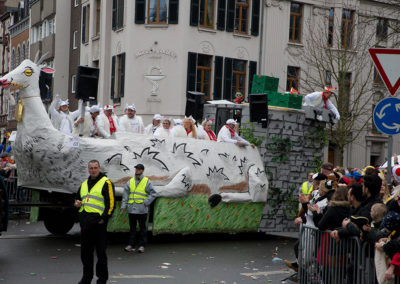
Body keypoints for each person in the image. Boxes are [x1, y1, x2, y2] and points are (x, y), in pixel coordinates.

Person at [74, 160, 115, 284]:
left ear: (99, 168)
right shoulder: (84, 184)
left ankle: (102, 279)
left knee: (101, 254)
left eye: (95, 168)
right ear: (88, 169)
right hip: (86, 225)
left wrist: (103, 219)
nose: (93, 170)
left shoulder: (106, 183)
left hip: (98, 225)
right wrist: (76, 203)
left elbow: (111, 204)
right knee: (85, 255)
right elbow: (77, 199)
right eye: (91, 168)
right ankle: (87, 278)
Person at [121, 164, 157, 253]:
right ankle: (131, 245)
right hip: (131, 209)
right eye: (136, 169)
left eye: (139, 169)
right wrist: (123, 206)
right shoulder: (130, 181)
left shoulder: (146, 181)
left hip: (142, 209)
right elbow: (125, 195)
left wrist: (146, 202)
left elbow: (153, 193)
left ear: (142, 171)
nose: (137, 170)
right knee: (132, 228)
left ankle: (142, 245)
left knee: (142, 228)